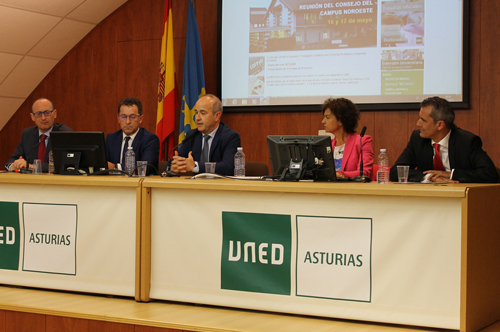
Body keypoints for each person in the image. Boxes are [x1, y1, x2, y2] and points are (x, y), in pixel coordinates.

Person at [390, 96, 498, 183]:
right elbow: (396, 171)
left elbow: (490, 173)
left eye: (423, 120)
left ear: (440, 125)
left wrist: (451, 174)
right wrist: (430, 177)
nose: (418, 124)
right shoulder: (418, 139)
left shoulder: (467, 141)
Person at [170, 94, 241, 175]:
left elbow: (228, 167)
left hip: (220, 186)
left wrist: (195, 166)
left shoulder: (230, 137)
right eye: (196, 113)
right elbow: (173, 164)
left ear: (217, 116)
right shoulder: (192, 135)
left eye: (203, 113)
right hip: (196, 186)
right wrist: (174, 165)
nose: (197, 118)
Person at [5, 98, 72, 173]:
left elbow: (64, 164)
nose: (43, 118)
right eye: (38, 114)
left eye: (47, 113)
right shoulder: (27, 134)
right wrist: (13, 166)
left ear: (55, 113)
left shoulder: (64, 134)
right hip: (31, 182)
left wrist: (31, 166)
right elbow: (12, 160)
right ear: (32, 117)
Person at [321, 97, 374, 179]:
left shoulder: (362, 141)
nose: (323, 121)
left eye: (327, 117)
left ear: (341, 120)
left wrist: (341, 175)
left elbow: (364, 173)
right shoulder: (327, 145)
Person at [106, 97, 160, 175]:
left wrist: (115, 167)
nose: (127, 122)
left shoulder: (150, 139)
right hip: (113, 185)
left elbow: (145, 168)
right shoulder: (111, 138)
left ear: (140, 119)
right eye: (123, 117)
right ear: (118, 118)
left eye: (132, 117)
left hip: (139, 185)